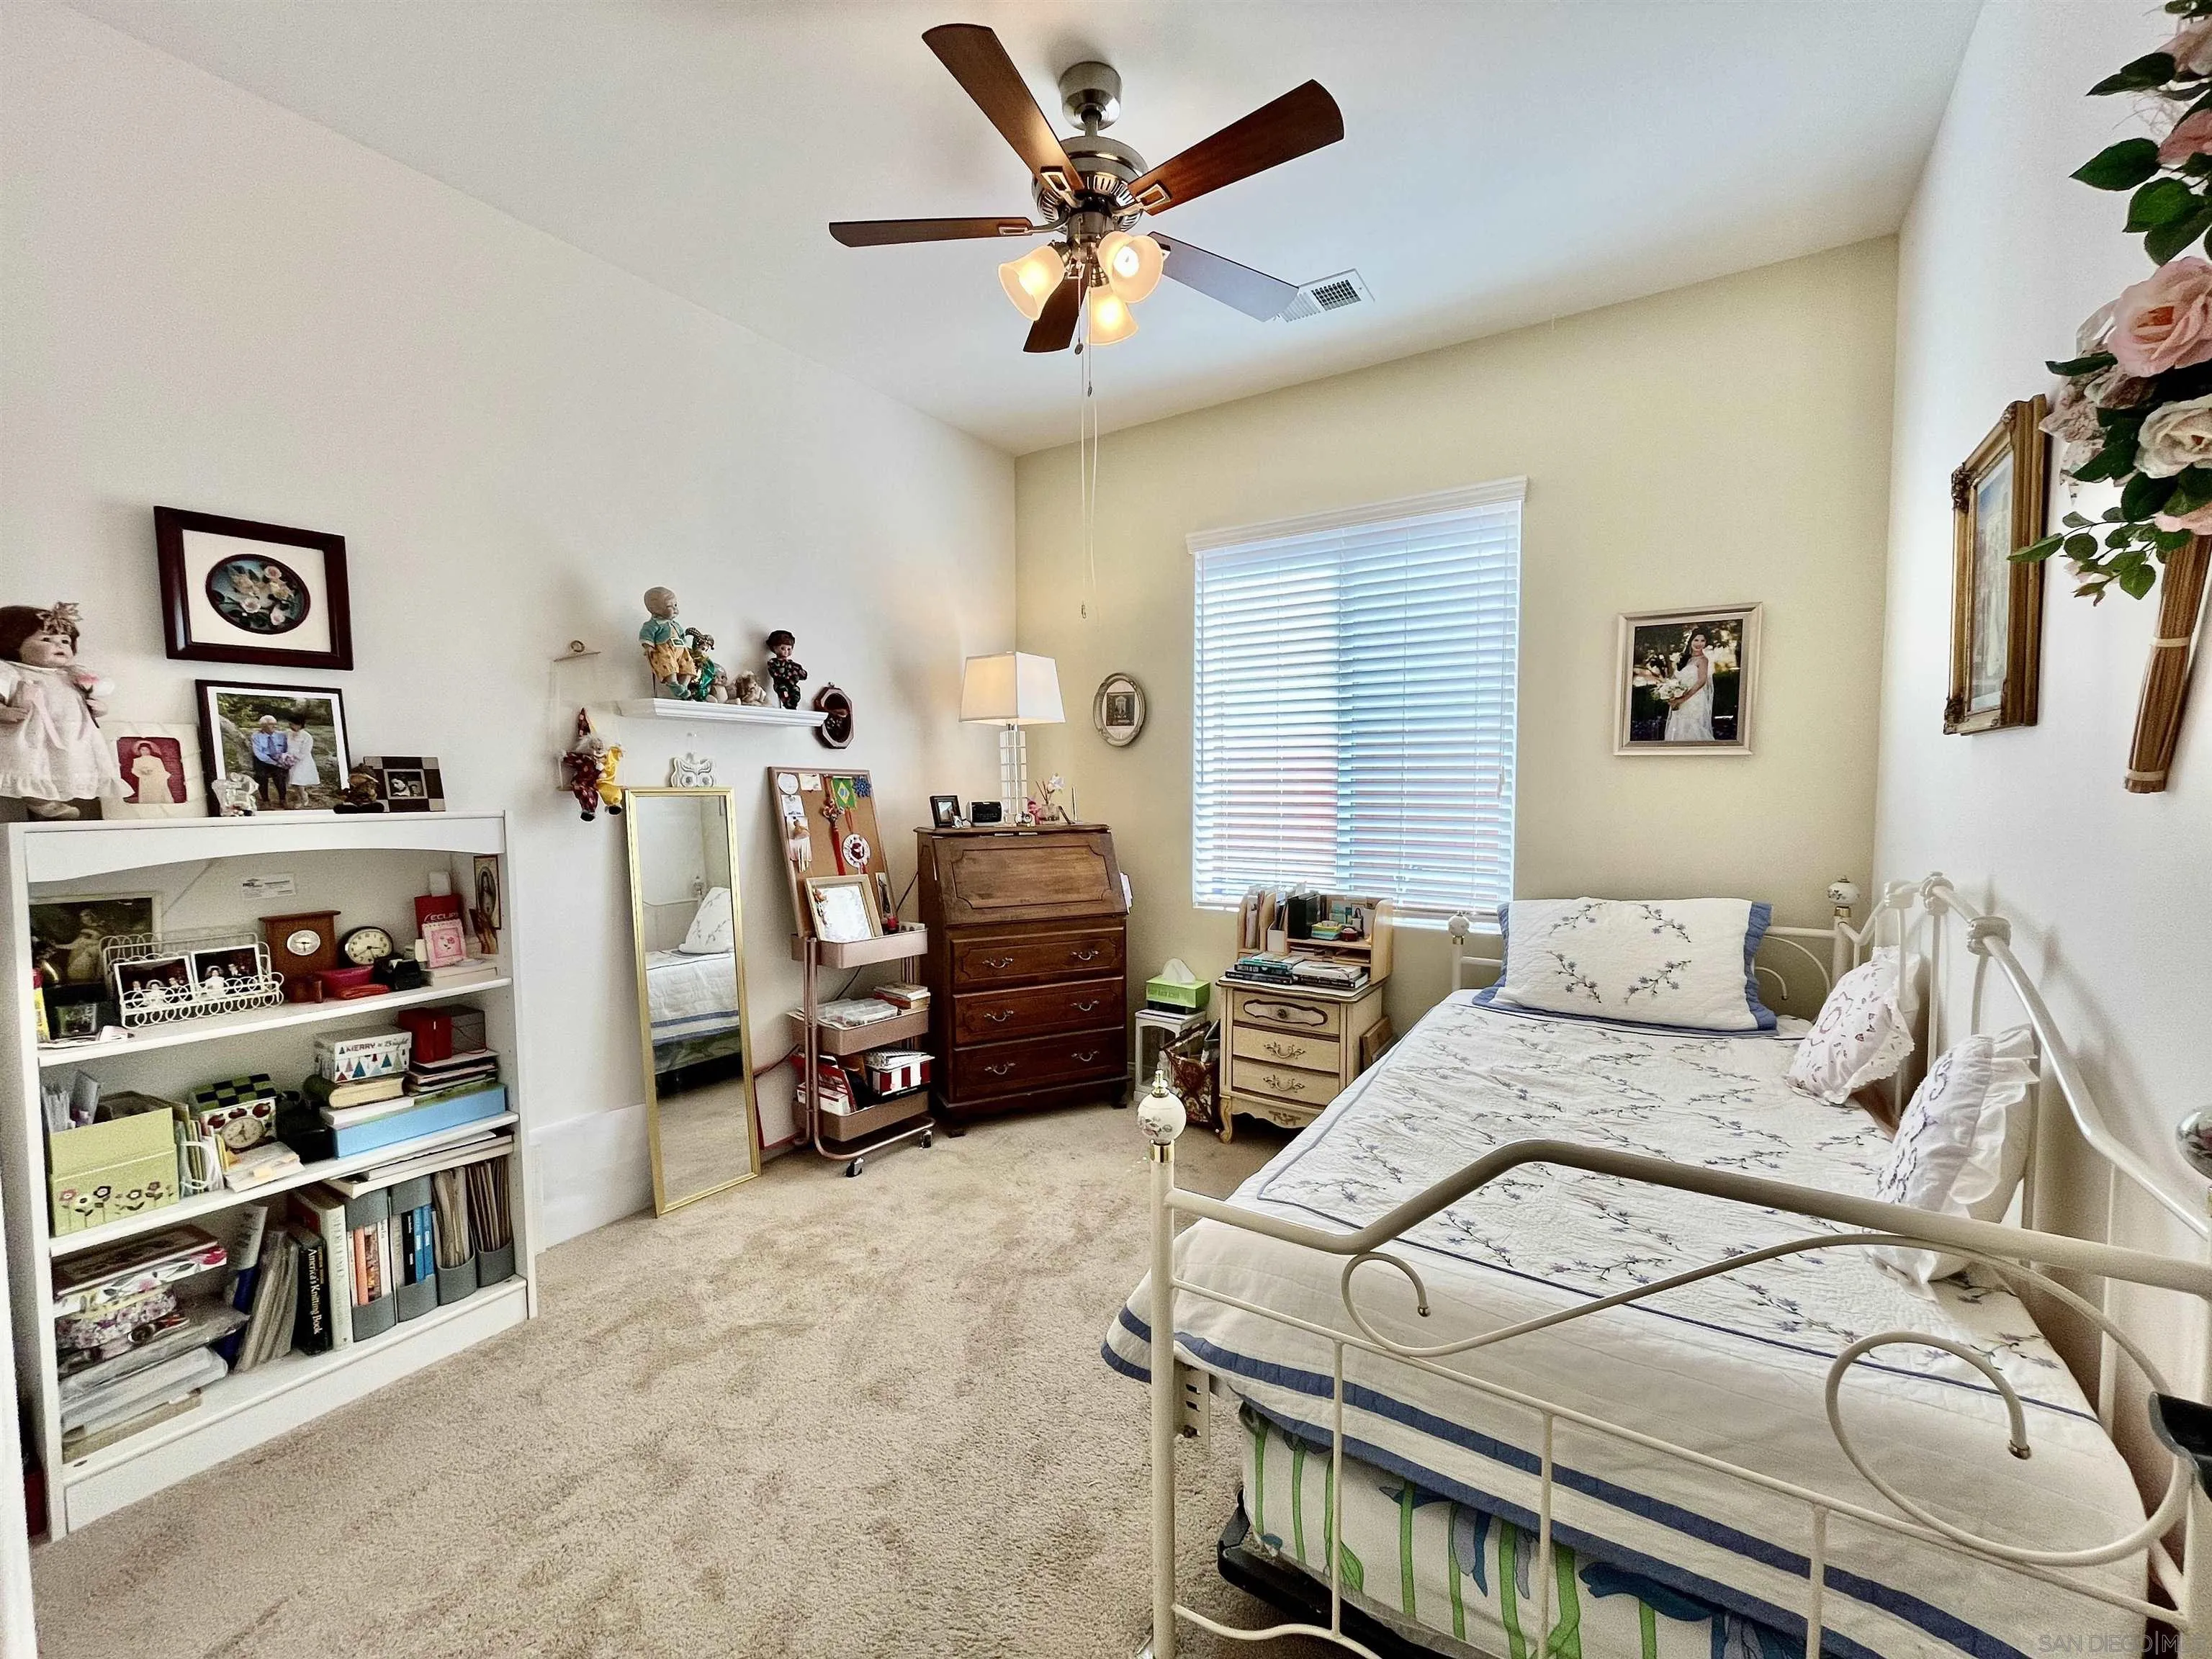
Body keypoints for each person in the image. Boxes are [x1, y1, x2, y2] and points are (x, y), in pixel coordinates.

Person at [1664, 629, 1717, 743]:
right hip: (1679, 698)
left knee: (1692, 728)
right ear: (1691, 641)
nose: (1699, 644)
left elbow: (1701, 681)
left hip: (1694, 699)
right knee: (1678, 728)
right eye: (1696, 640)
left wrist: (1684, 698)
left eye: (1702, 641)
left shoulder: (1703, 660)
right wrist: (1670, 693)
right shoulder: (1683, 658)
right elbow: (1674, 678)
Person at [249, 715, 289, 806]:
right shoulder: (256, 736)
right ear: (263, 726)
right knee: (261, 776)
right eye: (271, 724)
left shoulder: (282, 735)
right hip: (262, 760)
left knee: (279, 776)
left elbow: (287, 749)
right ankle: (266, 800)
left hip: (278, 759)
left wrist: (283, 760)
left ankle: (283, 799)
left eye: (275, 724)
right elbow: (258, 753)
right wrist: (275, 763)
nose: (274, 726)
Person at [284, 714, 320, 808]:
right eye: (290, 724)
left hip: (301, 761)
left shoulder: (307, 736)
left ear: (299, 725)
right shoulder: (288, 733)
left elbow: (305, 752)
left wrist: (294, 759)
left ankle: (303, 798)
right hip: (289, 760)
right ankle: (301, 795)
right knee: (293, 782)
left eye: (293, 724)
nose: (291, 726)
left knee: (298, 781)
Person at [127, 739, 171, 805]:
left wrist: (154, 772)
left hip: (156, 779)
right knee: (147, 794)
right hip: (145, 780)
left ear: (150, 750)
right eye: (142, 750)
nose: (145, 752)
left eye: (147, 750)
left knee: (157, 794)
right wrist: (143, 772)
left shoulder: (157, 760)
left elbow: (161, 770)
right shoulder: (137, 761)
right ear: (139, 751)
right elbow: (135, 770)